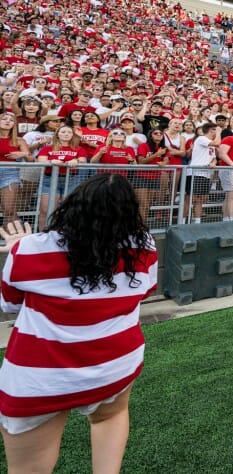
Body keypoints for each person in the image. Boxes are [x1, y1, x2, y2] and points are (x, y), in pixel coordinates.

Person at [0, 173, 158, 473]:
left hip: (40, 378)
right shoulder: (146, 245)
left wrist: (21, 246)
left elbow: (8, 305)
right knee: (110, 416)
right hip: (115, 364)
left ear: (73, 205)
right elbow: (145, 289)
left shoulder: (31, 248)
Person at [186, 123, 219, 224]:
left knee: (201, 199)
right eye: (214, 130)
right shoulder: (201, 138)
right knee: (190, 198)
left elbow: (214, 158)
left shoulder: (210, 143)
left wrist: (213, 162)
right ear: (210, 131)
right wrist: (219, 133)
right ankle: (182, 221)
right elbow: (217, 143)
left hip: (206, 174)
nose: (216, 132)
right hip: (195, 173)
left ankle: (197, 221)